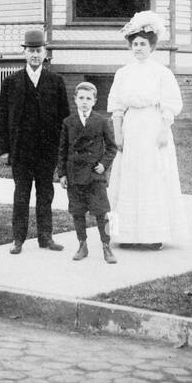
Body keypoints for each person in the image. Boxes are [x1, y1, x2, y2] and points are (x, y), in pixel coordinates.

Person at [106, 10, 187, 248]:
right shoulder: (123, 73)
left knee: (153, 179)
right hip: (131, 129)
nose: (138, 48)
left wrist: (164, 130)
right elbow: (117, 108)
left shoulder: (162, 73)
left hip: (153, 129)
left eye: (143, 44)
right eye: (135, 44)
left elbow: (169, 105)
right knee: (128, 180)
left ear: (152, 47)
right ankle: (125, 235)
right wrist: (118, 134)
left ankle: (154, 235)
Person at [0, 28, 69, 253]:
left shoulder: (56, 81)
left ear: (45, 53)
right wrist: (4, 150)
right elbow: (3, 118)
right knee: (21, 194)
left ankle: (45, 237)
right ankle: (18, 239)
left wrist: (61, 151)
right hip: (21, 150)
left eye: (39, 51)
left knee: (45, 193)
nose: (35, 55)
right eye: (31, 51)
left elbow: (64, 119)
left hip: (47, 150)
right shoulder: (11, 82)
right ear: (25, 53)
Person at [56, 81, 118, 263]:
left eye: (88, 98)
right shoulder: (68, 122)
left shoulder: (101, 121)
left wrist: (104, 165)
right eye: (81, 98)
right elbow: (62, 150)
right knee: (77, 211)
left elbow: (112, 148)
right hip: (74, 174)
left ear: (94, 101)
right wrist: (62, 174)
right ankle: (82, 245)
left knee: (104, 212)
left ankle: (107, 246)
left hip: (94, 174)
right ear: (75, 100)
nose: (84, 102)